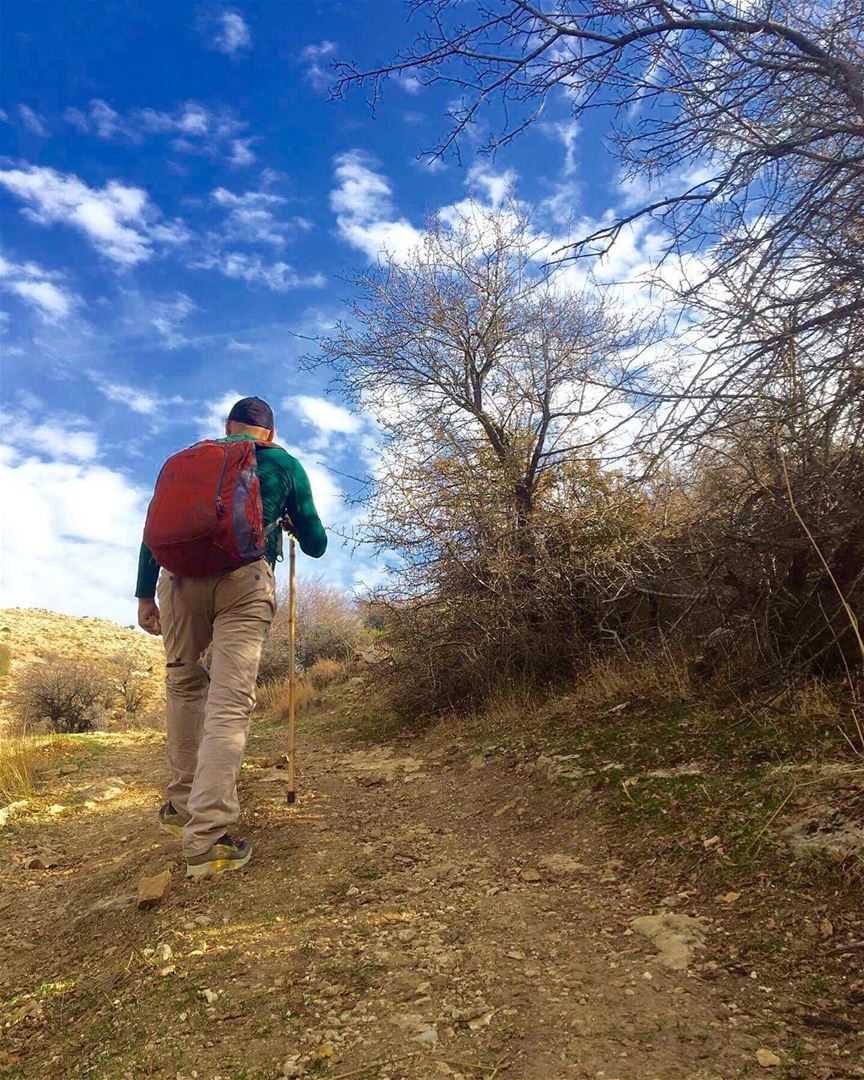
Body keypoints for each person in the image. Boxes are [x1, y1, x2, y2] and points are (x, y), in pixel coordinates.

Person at [135, 396, 326, 879]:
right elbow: (317, 543)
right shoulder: (280, 463)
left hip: (176, 583)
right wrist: (288, 523)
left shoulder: (189, 461)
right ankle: (206, 839)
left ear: (228, 427)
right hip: (244, 580)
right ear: (270, 434)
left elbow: (151, 534)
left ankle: (180, 808)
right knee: (228, 701)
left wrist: (144, 598)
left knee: (183, 688)